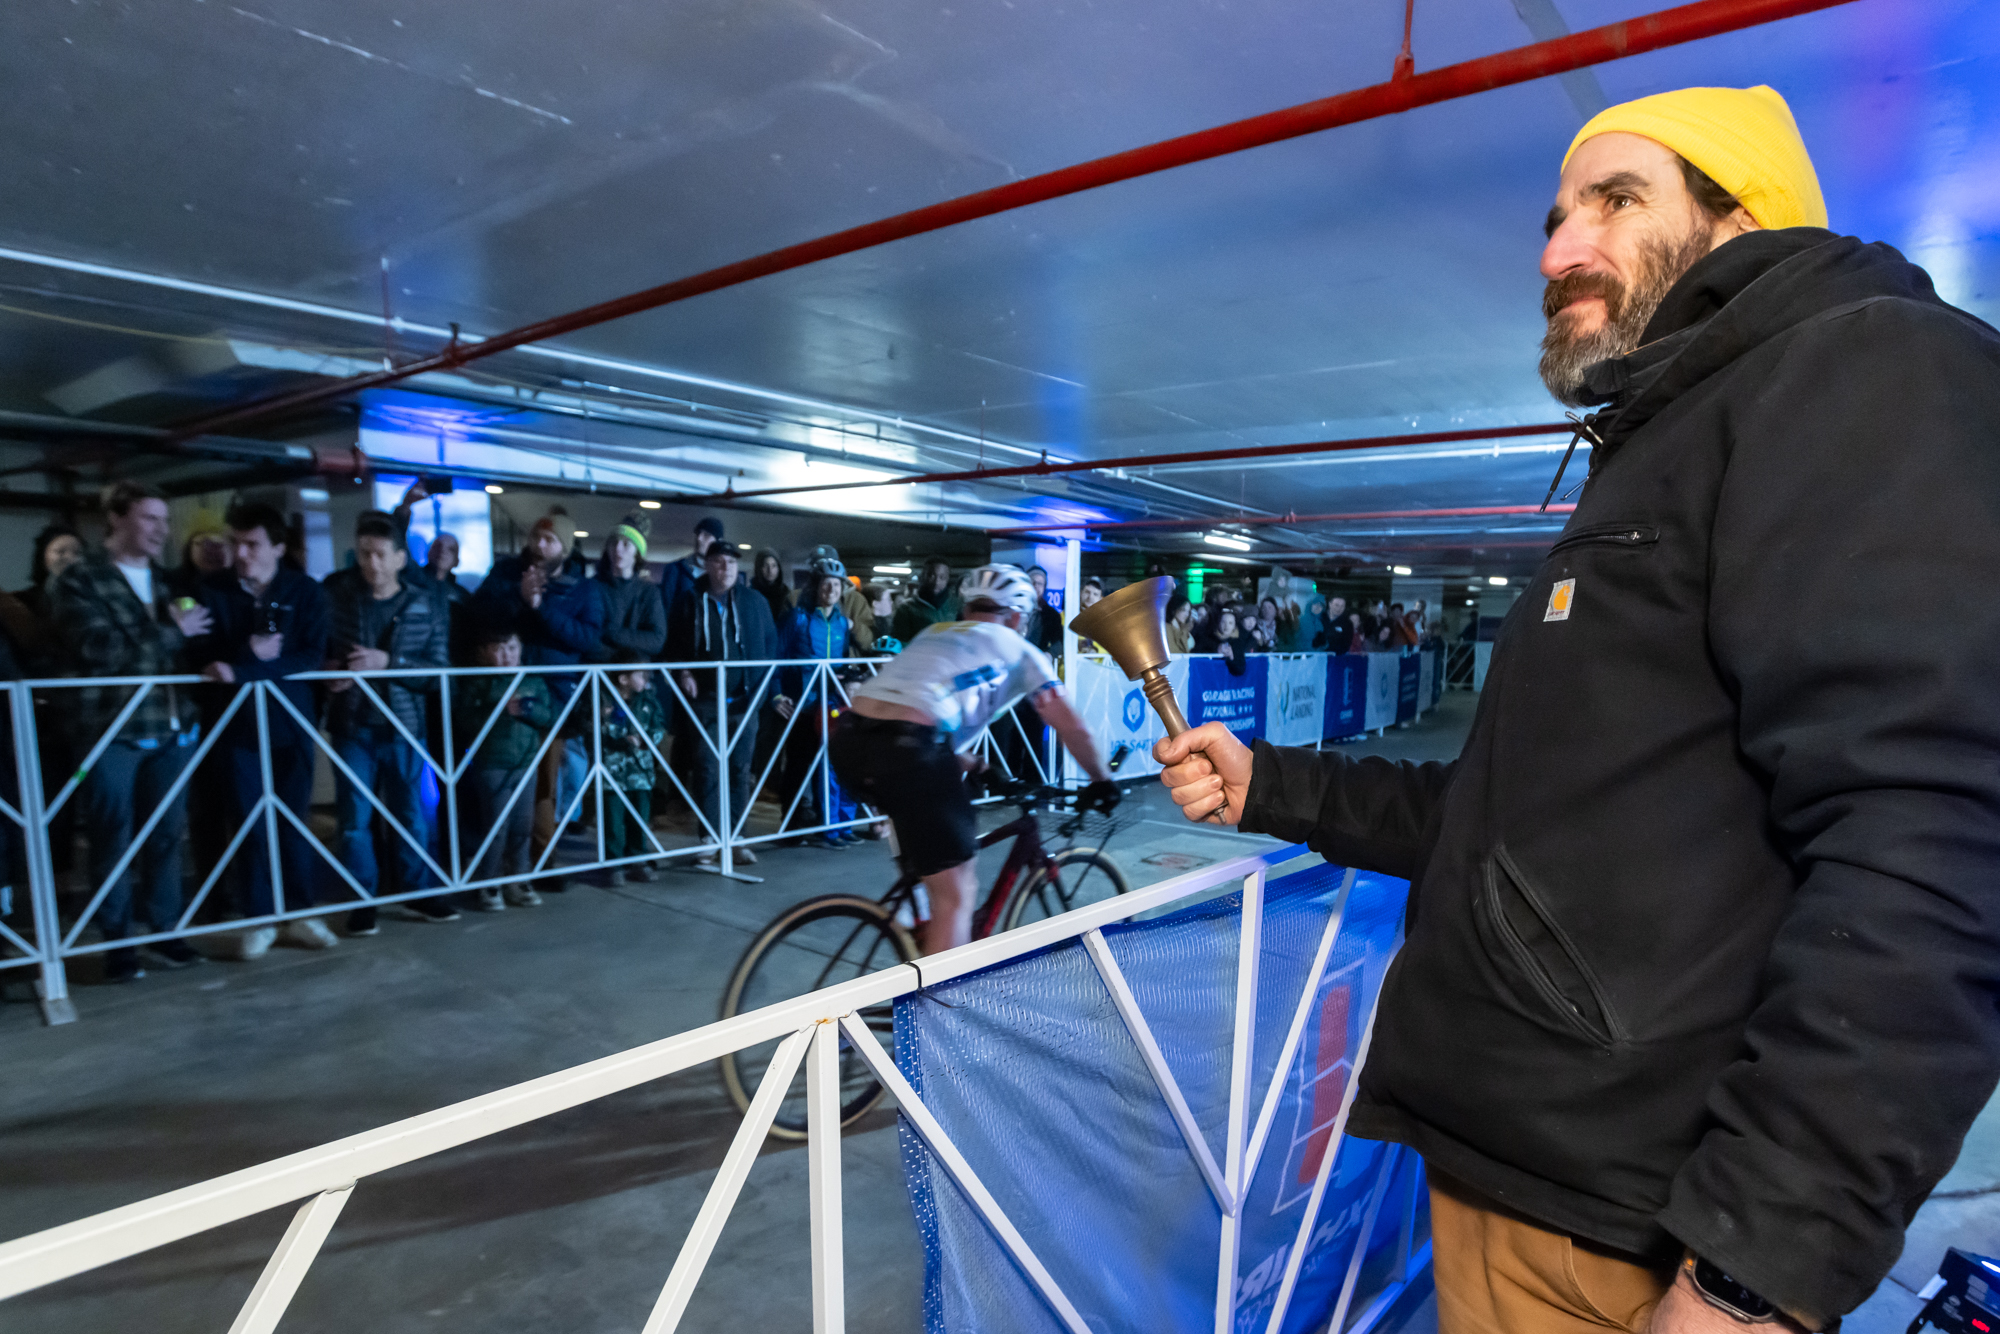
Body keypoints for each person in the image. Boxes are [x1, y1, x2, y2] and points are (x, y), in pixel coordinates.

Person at [1158, 85, 2000, 1332]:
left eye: (1617, 200)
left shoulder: (1855, 364)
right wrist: (1269, 783)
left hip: (1630, 1230)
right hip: (1535, 1181)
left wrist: (1752, 1268)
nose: (1559, 251)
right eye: (1555, 217)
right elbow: (1526, 814)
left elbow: (1931, 837)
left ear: (1739, 218)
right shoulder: (1667, 439)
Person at [831, 565, 1118, 955]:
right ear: (1018, 617)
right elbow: (1073, 728)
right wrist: (1101, 780)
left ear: (967, 610)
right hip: (909, 753)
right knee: (957, 894)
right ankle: (940, 1006)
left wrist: (980, 767)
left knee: (928, 867)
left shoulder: (933, 633)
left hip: (851, 739)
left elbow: (914, 717)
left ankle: (919, 934)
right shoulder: (1022, 650)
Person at [51, 483, 211, 980]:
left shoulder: (166, 581)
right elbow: (98, 651)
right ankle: (118, 941)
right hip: (110, 729)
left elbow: (191, 641)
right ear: (116, 520)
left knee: (166, 836)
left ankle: (166, 933)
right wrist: (170, 633)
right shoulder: (79, 581)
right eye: (149, 519)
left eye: (164, 520)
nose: (162, 530)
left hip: (169, 726)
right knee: (110, 837)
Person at [187, 502, 333, 956]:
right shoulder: (209, 591)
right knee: (249, 823)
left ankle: (301, 911)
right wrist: (248, 657)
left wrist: (245, 668)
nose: (242, 553)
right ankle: (261, 917)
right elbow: (202, 655)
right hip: (236, 729)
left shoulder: (305, 591)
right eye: (236, 543)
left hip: (290, 723)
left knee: (293, 821)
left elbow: (309, 654)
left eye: (252, 544)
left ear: (278, 546)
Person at [321, 513, 454, 934]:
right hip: (351, 725)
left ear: (400, 558)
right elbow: (310, 647)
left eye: (380, 554)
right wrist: (329, 670)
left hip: (404, 726)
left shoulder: (425, 604)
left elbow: (438, 673)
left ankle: (418, 893)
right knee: (354, 820)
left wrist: (387, 663)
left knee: (412, 816)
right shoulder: (335, 595)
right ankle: (364, 900)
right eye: (364, 554)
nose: (371, 564)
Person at [473, 516, 603, 868]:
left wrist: (541, 607)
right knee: (498, 780)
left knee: (542, 784)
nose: (540, 545)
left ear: (564, 546)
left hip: (555, 698)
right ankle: (492, 867)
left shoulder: (583, 588)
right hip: (502, 692)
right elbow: (480, 613)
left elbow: (586, 637)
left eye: (549, 539)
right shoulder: (505, 574)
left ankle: (541, 861)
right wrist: (518, 596)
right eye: (536, 536)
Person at [666, 541, 781, 870]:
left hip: (745, 702)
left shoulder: (755, 602)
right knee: (707, 769)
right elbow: (674, 644)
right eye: (718, 562)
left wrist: (761, 685)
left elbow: (770, 643)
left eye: (731, 563)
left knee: (740, 770)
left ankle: (738, 837)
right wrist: (684, 670)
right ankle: (710, 838)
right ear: (707, 565)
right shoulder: (689, 600)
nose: (726, 568)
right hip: (705, 702)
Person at [453, 624, 553, 911]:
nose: (506, 655)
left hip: (525, 762)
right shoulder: (478, 681)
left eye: (512, 648)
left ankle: (519, 880)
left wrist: (532, 711)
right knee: (496, 825)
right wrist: (497, 711)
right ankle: (490, 882)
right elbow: (465, 720)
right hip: (492, 764)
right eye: (498, 649)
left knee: (523, 824)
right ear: (484, 653)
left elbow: (549, 714)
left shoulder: (532, 679)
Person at [778, 563, 860, 847]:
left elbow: (842, 660)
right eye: (826, 584)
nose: (831, 590)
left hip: (829, 704)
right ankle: (790, 828)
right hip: (802, 703)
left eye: (836, 585)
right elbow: (778, 655)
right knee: (798, 765)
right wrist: (776, 694)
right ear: (816, 587)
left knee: (827, 764)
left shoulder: (840, 622)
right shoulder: (798, 618)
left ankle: (826, 825)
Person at [599, 650, 667, 884]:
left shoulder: (649, 701)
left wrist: (647, 739)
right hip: (613, 772)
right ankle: (613, 864)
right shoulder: (604, 699)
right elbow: (596, 728)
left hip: (641, 771)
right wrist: (620, 738)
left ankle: (638, 858)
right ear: (623, 678)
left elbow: (659, 727)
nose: (646, 680)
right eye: (641, 675)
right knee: (613, 820)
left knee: (640, 816)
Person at [590, 515, 667, 663]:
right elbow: (589, 636)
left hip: (636, 675)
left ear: (637, 552)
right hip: (599, 671)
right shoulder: (593, 587)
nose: (618, 549)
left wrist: (612, 633)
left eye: (626, 544)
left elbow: (656, 640)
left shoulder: (649, 592)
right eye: (613, 543)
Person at [786, 544, 877, 653]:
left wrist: (852, 626)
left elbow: (868, 642)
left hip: (846, 667)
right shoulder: (794, 598)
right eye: (817, 566)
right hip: (806, 667)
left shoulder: (856, 600)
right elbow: (784, 641)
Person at [658, 516, 727, 617]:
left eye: (706, 535)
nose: (699, 538)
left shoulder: (722, 574)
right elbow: (665, 610)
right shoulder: (676, 570)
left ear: (718, 541)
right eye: (698, 533)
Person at [890, 557, 958, 643]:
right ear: (922, 577)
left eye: (942, 577)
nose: (936, 582)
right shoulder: (906, 609)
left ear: (947, 579)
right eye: (931, 576)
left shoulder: (956, 606)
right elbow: (899, 643)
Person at [168, 512, 231, 601]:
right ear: (189, 546)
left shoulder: (233, 584)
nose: (210, 552)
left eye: (217, 546)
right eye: (203, 543)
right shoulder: (174, 582)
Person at [1023, 565, 1063, 655]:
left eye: (1040, 583)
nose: (1036, 586)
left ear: (1044, 587)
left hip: (1036, 662)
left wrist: (1049, 654)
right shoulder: (1014, 608)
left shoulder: (1051, 615)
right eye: (1032, 582)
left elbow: (1058, 643)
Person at [749, 549, 791, 630]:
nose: (770, 570)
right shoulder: (752, 594)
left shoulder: (785, 593)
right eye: (765, 566)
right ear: (759, 568)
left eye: (774, 565)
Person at [1211, 607, 1247, 676]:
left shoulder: (1238, 643)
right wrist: (1216, 651)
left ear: (1234, 626)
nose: (1226, 626)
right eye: (1223, 622)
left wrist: (1231, 657)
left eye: (1230, 623)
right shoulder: (1210, 639)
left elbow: (1240, 669)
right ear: (1219, 623)